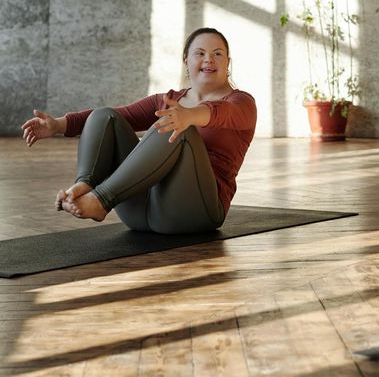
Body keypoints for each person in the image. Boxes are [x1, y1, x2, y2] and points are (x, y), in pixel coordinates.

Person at [21, 27, 257, 234]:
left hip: (194, 213)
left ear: (228, 63)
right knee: (105, 116)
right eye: (200, 53)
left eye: (217, 54)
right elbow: (112, 118)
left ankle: (102, 199)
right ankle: (85, 185)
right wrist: (58, 125)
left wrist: (188, 116)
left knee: (176, 126)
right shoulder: (167, 100)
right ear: (186, 60)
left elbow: (219, 112)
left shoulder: (242, 103)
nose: (209, 60)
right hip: (140, 212)